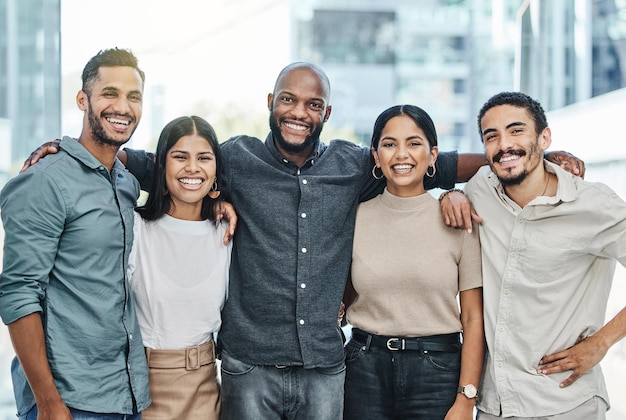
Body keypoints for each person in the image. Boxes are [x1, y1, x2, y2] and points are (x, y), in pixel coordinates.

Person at [20, 63, 584, 420]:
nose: (298, 112)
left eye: (312, 105)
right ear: (271, 100)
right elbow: (160, 163)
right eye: (288, 100)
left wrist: (515, 156)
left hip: (324, 367)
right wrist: (64, 147)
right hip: (247, 367)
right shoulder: (234, 158)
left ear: (327, 113)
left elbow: (421, 164)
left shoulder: (352, 165)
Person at [447, 92, 626, 419]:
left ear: (544, 137)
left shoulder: (593, 204)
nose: (504, 145)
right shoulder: (480, 189)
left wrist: (601, 343)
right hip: (495, 405)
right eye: (492, 136)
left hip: (567, 403)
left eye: (516, 131)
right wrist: (452, 193)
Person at [0, 48, 150, 419]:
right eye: (109, 94)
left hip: (125, 393)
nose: (123, 107)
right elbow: (18, 294)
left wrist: (218, 201)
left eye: (133, 97)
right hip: (68, 401)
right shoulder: (45, 180)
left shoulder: (125, 183)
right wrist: (49, 404)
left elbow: (184, 171)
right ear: (83, 99)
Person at [342, 104, 484, 420]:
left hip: (437, 372)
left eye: (414, 143)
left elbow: (474, 318)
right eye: (390, 144)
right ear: (376, 157)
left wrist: (467, 398)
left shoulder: (458, 218)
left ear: (433, 155)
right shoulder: (354, 219)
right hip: (364, 369)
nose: (401, 154)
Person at [127, 115, 232, 419]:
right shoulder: (135, 229)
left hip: (205, 385)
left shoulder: (226, 232)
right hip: (142, 384)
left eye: (204, 158)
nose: (192, 168)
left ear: (215, 170)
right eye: (180, 157)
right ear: (161, 164)